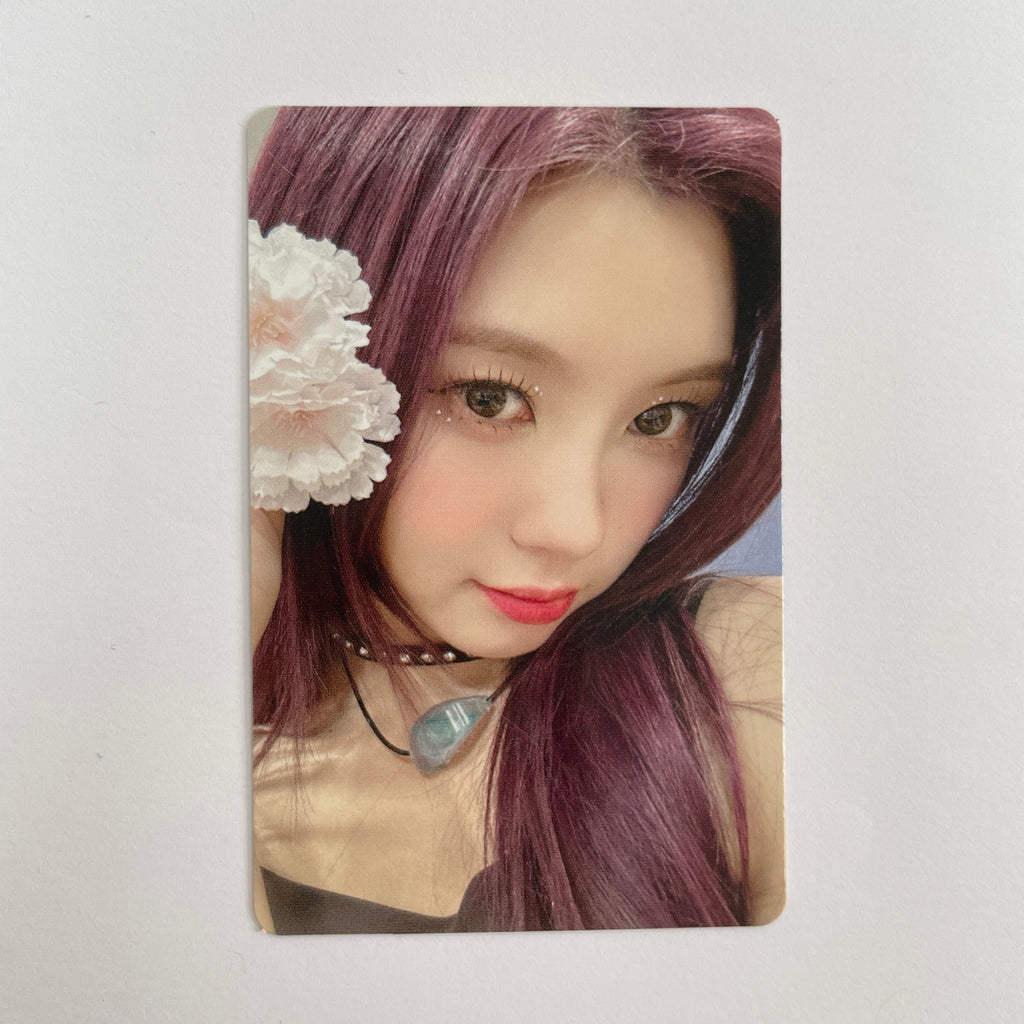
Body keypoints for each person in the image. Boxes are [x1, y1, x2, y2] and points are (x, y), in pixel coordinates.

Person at [249, 107, 783, 933]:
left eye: (660, 417)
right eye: (487, 398)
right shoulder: (152, 717)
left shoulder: (742, 677)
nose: (576, 530)